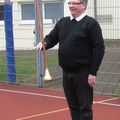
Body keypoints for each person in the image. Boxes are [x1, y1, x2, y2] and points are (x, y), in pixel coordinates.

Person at [36, 0, 105, 120]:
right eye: (70, 3)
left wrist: (93, 72)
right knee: (73, 107)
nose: (71, 6)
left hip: (83, 73)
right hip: (66, 73)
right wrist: (44, 43)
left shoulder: (91, 24)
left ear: (84, 5)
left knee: (85, 109)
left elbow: (99, 49)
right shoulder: (63, 22)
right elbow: (52, 37)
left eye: (75, 3)